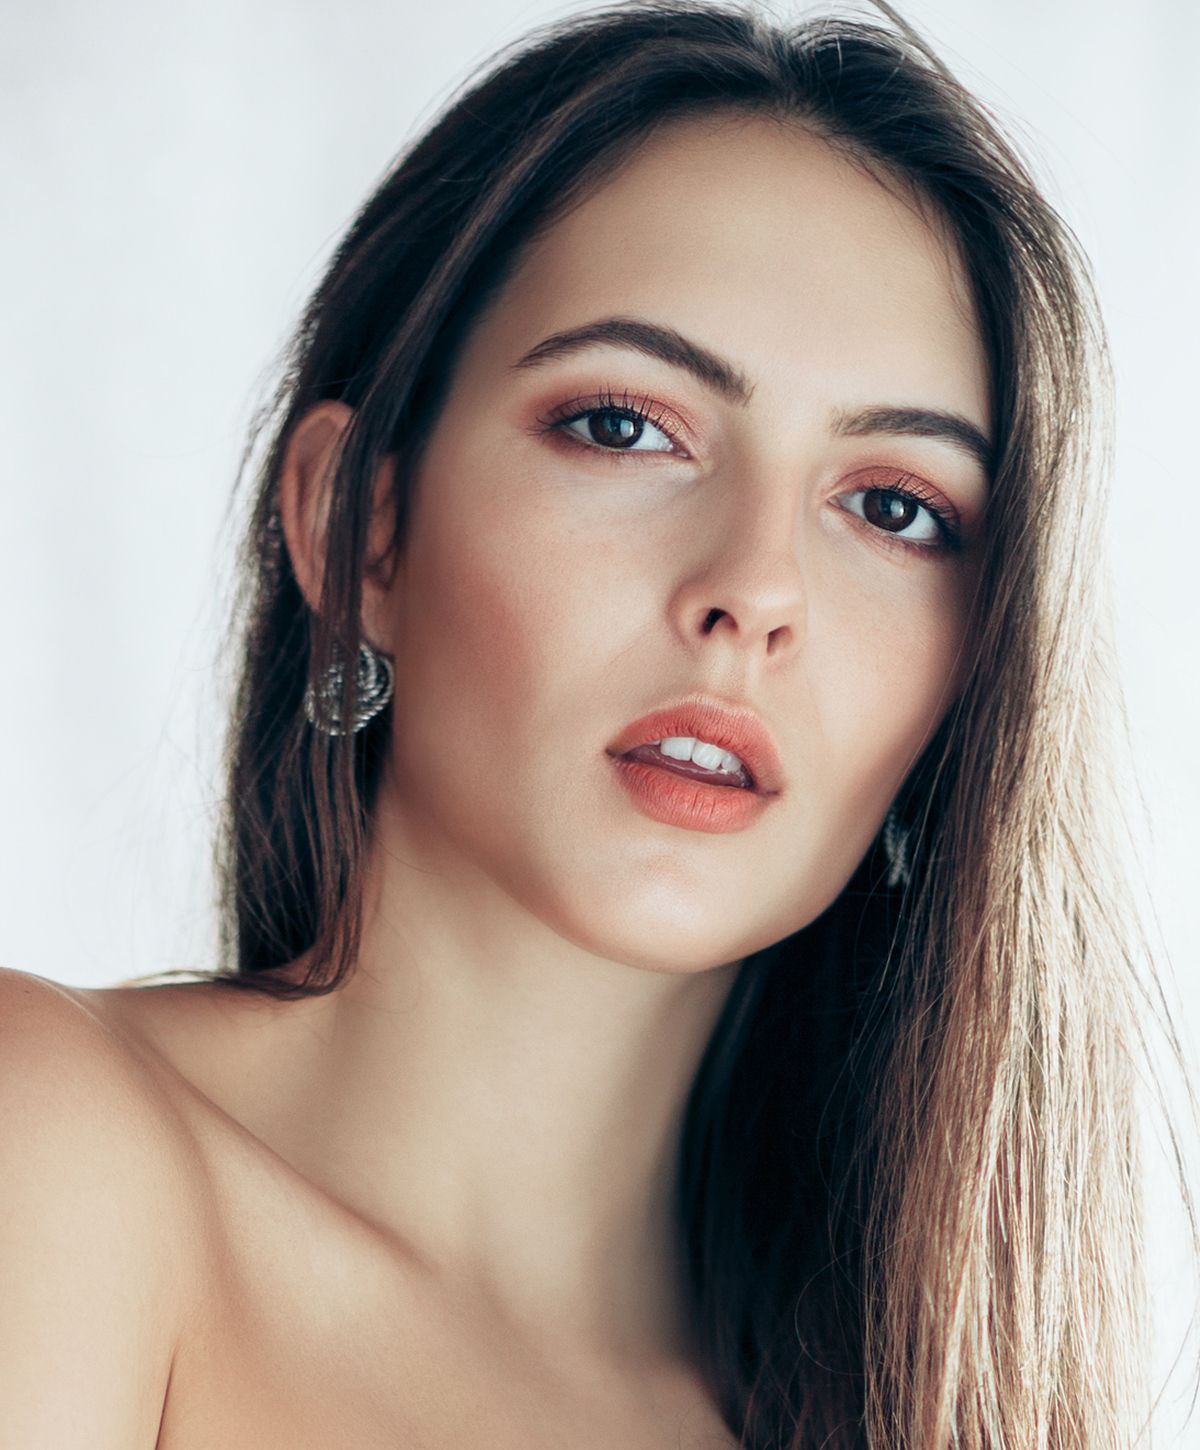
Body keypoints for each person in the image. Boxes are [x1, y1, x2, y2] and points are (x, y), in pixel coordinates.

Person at [2, 1, 1194, 1445]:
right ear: (358, 525)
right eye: (627, 426)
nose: (752, 590)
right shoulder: (51, 1146)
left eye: (893, 506)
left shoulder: (923, 1403)